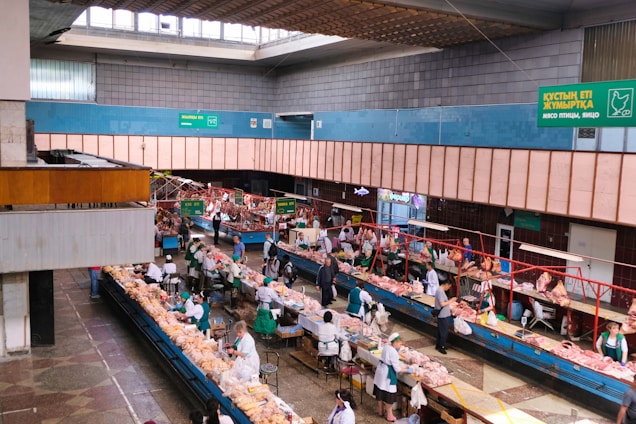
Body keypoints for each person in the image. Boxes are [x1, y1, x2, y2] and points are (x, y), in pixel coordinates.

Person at [373, 332, 410, 422]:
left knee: (380, 391)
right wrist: (408, 370)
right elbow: (397, 369)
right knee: (389, 394)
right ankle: (390, 415)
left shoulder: (386, 346)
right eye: (400, 344)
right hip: (387, 374)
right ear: (395, 342)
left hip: (381, 370)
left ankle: (381, 410)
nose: (401, 346)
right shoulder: (393, 352)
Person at [435, 280, 456, 355]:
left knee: (441, 331)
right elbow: (442, 304)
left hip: (443, 314)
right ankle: (441, 347)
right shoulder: (440, 291)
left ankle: (439, 345)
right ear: (446, 284)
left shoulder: (440, 290)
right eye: (449, 287)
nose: (448, 288)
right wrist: (451, 301)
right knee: (444, 332)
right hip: (443, 315)